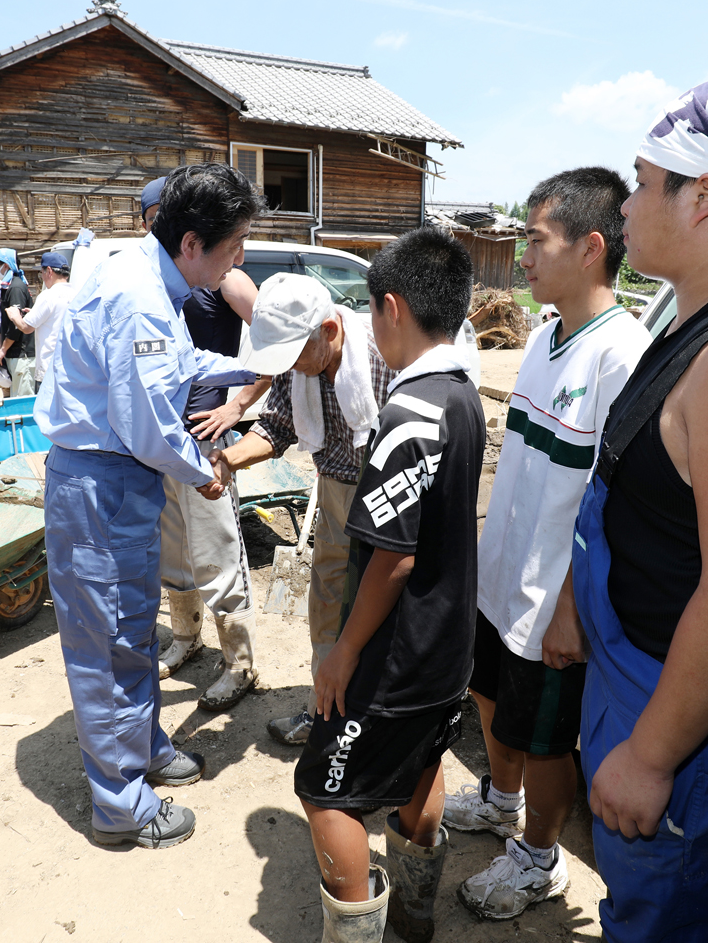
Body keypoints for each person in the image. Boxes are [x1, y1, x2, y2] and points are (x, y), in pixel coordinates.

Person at [34, 163, 262, 849]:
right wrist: (205, 473)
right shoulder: (136, 293)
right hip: (101, 483)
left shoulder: (146, 272)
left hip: (120, 483)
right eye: (234, 246)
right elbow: (148, 423)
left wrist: (248, 369)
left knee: (133, 629)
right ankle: (121, 804)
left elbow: (175, 366)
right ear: (193, 243)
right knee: (105, 647)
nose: (239, 260)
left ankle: (143, 746)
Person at [450, 167, 652, 921]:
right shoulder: (543, 336)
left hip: (552, 599)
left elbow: (615, 504)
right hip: (502, 576)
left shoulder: (621, 355)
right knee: (489, 696)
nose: (521, 256)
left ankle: (539, 857)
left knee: (543, 738)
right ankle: (502, 806)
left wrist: (571, 607)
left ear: (592, 246)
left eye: (535, 240)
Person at [567, 77, 708, 942]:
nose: (627, 203)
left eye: (642, 179)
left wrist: (653, 753)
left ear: (702, 194)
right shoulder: (691, 322)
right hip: (633, 679)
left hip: (682, 727)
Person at [294, 226, 484, 943]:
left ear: (392, 308)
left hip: (397, 656)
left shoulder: (410, 416)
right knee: (419, 765)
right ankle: (413, 912)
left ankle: (356, 929)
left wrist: (342, 653)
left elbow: (393, 559)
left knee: (323, 790)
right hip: (447, 643)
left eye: (373, 311)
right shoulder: (461, 395)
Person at [208, 271, 396, 745]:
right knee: (329, 602)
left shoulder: (384, 356)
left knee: (386, 611)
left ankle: (378, 725)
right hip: (336, 491)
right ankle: (325, 711)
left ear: (329, 333)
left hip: (392, 498)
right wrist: (227, 461)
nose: (287, 364)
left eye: (292, 353)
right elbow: (275, 427)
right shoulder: (300, 365)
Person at [141, 174, 272, 708]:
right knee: (174, 551)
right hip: (167, 439)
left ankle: (239, 664)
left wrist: (236, 405)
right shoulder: (158, 283)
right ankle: (186, 637)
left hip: (207, 441)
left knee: (218, 552)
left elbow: (276, 351)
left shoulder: (226, 278)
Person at [4, 252, 75, 393]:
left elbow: (26, 327)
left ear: (49, 271)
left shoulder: (48, 295)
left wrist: (15, 315)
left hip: (50, 369)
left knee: (47, 413)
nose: (42, 277)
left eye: (41, 272)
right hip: (72, 367)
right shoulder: (76, 293)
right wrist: (36, 314)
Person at [0, 248, 35, 396]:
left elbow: (16, 325)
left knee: (23, 401)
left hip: (22, 354)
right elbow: (5, 323)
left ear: (6, 265)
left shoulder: (15, 287)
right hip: (13, 354)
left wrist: (3, 349)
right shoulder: (6, 286)